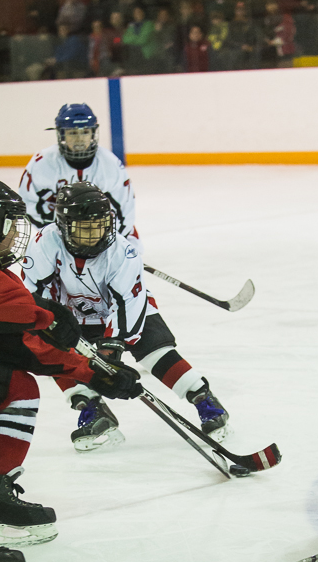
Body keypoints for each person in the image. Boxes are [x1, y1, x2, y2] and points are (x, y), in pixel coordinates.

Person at [0, 177, 142, 562]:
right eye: (11, 223)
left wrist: (95, 374)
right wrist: (47, 313)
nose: (16, 235)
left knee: (16, 386)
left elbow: (24, 347)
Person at [20, 182, 229, 451]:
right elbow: (33, 294)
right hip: (71, 313)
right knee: (59, 355)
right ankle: (92, 409)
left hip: (126, 310)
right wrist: (50, 325)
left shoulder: (123, 251)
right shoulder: (43, 243)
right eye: (85, 228)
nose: (94, 235)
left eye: (100, 226)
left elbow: (127, 301)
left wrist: (112, 345)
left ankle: (203, 398)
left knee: (155, 351)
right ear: (63, 225)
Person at [19, 103, 138, 243]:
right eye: (72, 133)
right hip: (57, 237)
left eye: (85, 132)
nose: (80, 139)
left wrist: (105, 240)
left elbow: (125, 209)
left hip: (102, 236)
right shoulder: (42, 163)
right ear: (61, 134)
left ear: (93, 133)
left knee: (132, 247)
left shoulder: (110, 164)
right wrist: (57, 234)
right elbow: (29, 203)